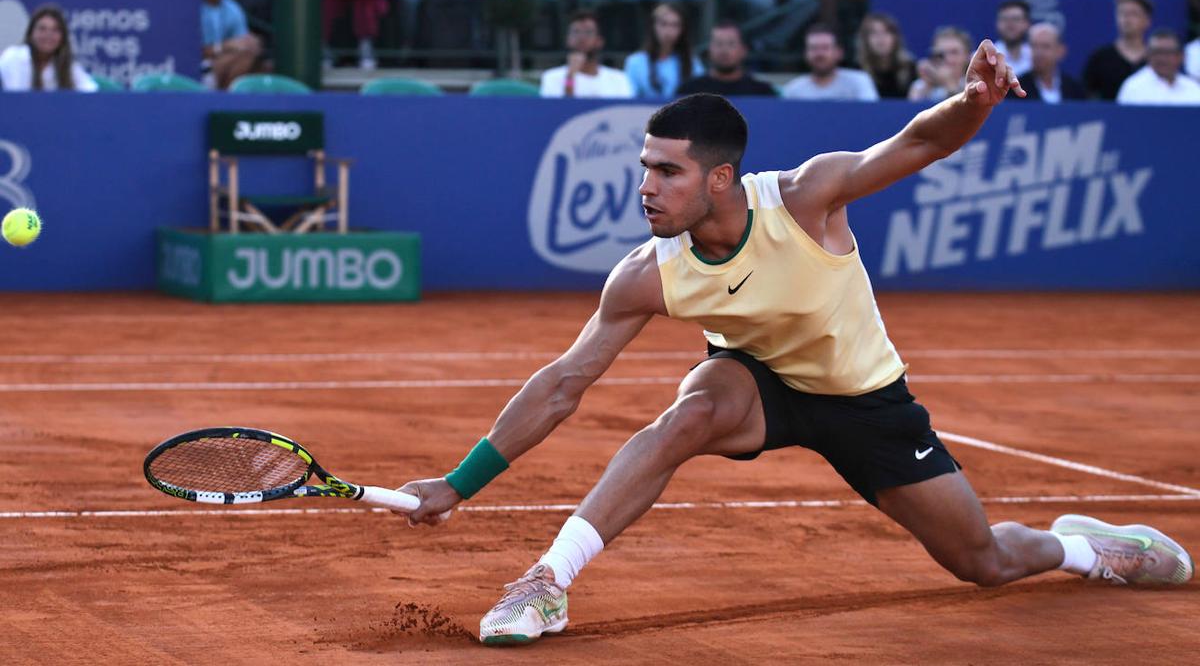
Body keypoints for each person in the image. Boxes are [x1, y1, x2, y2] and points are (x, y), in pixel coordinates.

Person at [396, 44, 1193, 648]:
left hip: (866, 400)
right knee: (685, 415)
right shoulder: (648, 273)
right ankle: (545, 582)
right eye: (644, 168)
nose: (645, 188)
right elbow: (565, 381)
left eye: (667, 172)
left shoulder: (806, 198)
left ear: (720, 178)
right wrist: (460, 483)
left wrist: (973, 102)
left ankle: (1088, 552)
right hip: (757, 383)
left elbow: (917, 143)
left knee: (982, 561)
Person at [199, 0, 262, 90]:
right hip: (193, 67)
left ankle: (225, 102)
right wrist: (225, 46)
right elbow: (190, 51)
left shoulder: (233, 9)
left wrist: (249, 44)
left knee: (248, 53)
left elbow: (242, 45)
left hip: (219, 66)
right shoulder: (190, 5)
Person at [0, 3, 97, 92]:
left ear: (62, 37)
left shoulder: (68, 66)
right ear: (31, 33)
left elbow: (90, 91)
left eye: (55, 30)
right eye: (42, 29)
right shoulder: (13, 57)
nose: (48, 35)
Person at [540, 9, 634, 98]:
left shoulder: (619, 80)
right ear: (568, 40)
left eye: (588, 32)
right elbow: (557, 112)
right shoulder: (551, 78)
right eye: (575, 32)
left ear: (599, 41)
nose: (581, 38)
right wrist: (570, 77)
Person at [624, 1, 703, 99]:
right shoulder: (635, 62)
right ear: (653, 27)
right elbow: (630, 101)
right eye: (663, 24)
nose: (669, 31)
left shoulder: (692, 62)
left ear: (683, 30)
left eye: (675, 25)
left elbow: (700, 99)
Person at [676, 20, 776, 97]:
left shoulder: (763, 93)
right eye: (718, 43)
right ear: (709, 49)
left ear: (743, 50)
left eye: (731, 44)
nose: (724, 50)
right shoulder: (689, 92)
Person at [1082, 0, 1152, 100]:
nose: (1126, 19)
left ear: (1147, 20)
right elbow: (1087, 96)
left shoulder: (1157, 60)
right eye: (1122, 13)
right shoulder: (1100, 57)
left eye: (1133, 14)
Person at [782, 23, 879, 100]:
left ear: (839, 53)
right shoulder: (794, 90)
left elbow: (872, 116)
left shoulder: (859, 82)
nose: (819, 54)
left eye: (825, 48)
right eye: (813, 48)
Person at [1116, 29, 1200, 105]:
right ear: (1148, 55)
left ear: (1180, 56)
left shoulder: (1193, 89)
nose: (1162, 58)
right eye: (1157, 52)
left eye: (1168, 52)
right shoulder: (1133, 87)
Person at [855, 12, 916, 99]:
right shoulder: (857, 70)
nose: (880, 38)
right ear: (865, 39)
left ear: (895, 38)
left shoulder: (911, 67)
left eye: (886, 32)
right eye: (874, 33)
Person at [1022, 22, 1088, 102]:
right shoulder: (1017, 88)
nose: (1038, 53)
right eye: (1034, 46)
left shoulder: (1075, 88)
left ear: (1060, 51)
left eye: (1045, 46)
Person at [908, 25, 972, 101]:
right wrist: (926, 86)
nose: (948, 59)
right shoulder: (920, 86)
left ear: (967, 56)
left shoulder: (974, 85)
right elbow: (912, 111)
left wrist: (950, 85)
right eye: (941, 54)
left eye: (954, 52)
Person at [994, 0, 1033, 76]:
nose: (1010, 25)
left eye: (1015, 19)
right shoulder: (983, 58)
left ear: (1027, 23)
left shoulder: (1036, 57)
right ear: (997, 24)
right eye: (1004, 19)